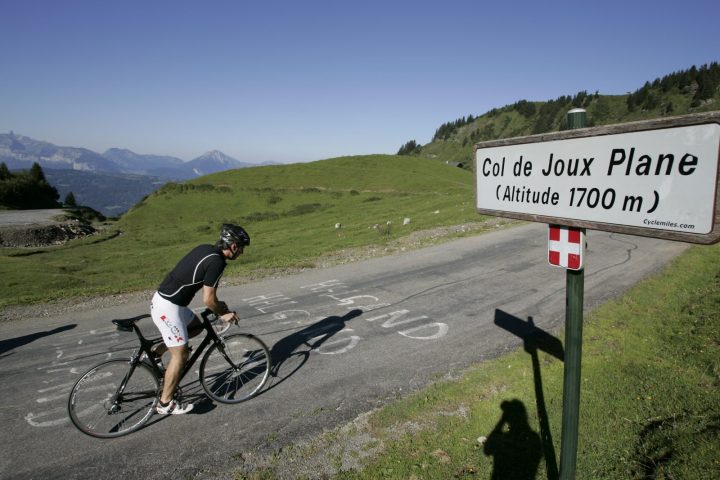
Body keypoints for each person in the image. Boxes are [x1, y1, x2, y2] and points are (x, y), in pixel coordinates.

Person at [149, 223, 250, 414]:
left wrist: (220, 306)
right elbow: (208, 299)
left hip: (168, 302)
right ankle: (165, 403)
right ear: (234, 246)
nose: (242, 253)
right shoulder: (217, 262)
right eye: (242, 248)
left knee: (196, 327)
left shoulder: (206, 248)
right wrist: (223, 313)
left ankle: (155, 353)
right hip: (168, 308)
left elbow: (211, 298)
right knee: (181, 355)